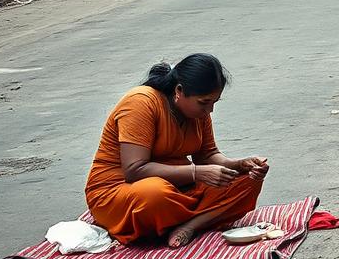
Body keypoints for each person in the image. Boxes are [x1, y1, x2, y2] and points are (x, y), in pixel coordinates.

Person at [85, 54, 269, 248]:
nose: (210, 110)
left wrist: (239, 165)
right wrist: (196, 173)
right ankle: (190, 218)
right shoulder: (140, 102)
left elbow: (207, 155)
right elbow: (134, 170)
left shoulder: (199, 111)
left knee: (248, 179)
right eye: (204, 102)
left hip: (178, 188)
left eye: (214, 102)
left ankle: (189, 226)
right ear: (179, 90)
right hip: (120, 192)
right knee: (154, 194)